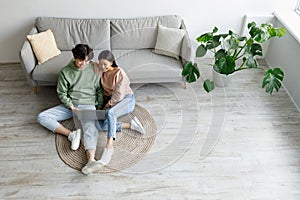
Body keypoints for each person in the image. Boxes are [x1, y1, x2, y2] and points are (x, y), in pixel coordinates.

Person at [83, 50, 145, 172]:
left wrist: (107, 106)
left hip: (126, 100)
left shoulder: (120, 73)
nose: (103, 67)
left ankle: (109, 145)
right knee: (100, 125)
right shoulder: (101, 69)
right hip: (113, 101)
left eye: (105, 64)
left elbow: (118, 95)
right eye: (101, 64)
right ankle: (130, 124)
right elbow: (92, 64)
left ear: (112, 62)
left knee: (111, 113)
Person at [37, 44, 102, 153]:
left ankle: (91, 160)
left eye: (86, 61)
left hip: (88, 104)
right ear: (75, 57)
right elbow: (62, 93)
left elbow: (99, 90)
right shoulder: (65, 72)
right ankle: (71, 135)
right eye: (81, 61)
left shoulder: (94, 68)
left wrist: (98, 107)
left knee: (90, 130)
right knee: (42, 117)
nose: (84, 64)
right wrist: (71, 107)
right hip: (71, 106)